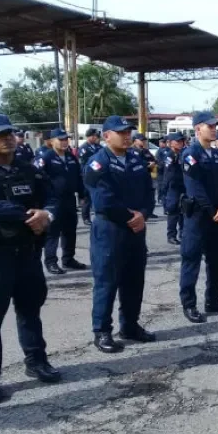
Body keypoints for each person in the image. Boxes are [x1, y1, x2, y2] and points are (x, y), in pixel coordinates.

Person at [0, 113, 60, 404]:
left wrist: (47, 214)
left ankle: (36, 361)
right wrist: (31, 216)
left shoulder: (29, 170)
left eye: (10, 133)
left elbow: (51, 197)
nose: (7, 138)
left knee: (30, 310)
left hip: (27, 254)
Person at [84, 116, 156, 353]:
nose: (127, 136)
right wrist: (130, 217)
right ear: (106, 136)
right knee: (107, 282)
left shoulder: (136, 158)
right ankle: (102, 331)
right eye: (121, 132)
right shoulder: (98, 163)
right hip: (110, 230)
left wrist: (143, 214)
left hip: (136, 229)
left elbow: (148, 191)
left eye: (128, 132)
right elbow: (103, 201)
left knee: (134, 281)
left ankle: (130, 325)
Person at [178, 111, 218, 323]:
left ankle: (213, 299)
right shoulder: (190, 154)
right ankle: (189, 304)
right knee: (191, 259)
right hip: (198, 216)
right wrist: (214, 211)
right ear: (197, 129)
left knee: (216, 259)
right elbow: (195, 188)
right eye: (209, 126)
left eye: (215, 126)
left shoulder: (217, 154)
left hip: (216, 216)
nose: (214, 129)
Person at [35, 128, 88, 275]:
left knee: (70, 231)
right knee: (53, 232)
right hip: (53, 201)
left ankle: (68, 259)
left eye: (66, 139)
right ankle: (51, 262)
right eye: (61, 139)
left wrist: (82, 195)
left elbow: (79, 177)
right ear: (52, 141)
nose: (64, 142)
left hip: (69, 200)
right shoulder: (45, 158)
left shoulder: (71, 158)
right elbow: (36, 179)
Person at [163, 133, 187, 245]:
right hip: (173, 187)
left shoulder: (184, 154)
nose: (180, 143)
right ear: (171, 143)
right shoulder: (170, 155)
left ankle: (183, 234)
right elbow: (168, 174)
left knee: (184, 211)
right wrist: (165, 189)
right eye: (177, 141)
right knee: (173, 211)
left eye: (181, 141)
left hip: (184, 187)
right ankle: (171, 235)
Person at [77, 128, 102, 226]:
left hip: (98, 175)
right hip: (88, 175)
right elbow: (85, 163)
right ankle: (86, 218)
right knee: (87, 198)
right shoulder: (83, 148)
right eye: (95, 136)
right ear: (90, 136)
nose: (96, 138)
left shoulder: (99, 147)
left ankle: (99, 216)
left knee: (98, 196)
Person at [131, 133, 159, 219]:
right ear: (135, 141)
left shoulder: (145, 150)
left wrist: (152, 163)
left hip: (147, 175)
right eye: (141, 140)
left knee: (150, 195)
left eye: (144, 140)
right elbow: (135, 162)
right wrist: (146, 164)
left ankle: (149, 212)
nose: (144, 142)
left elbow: (153, 159)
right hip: (137, 177)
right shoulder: (131, 151)